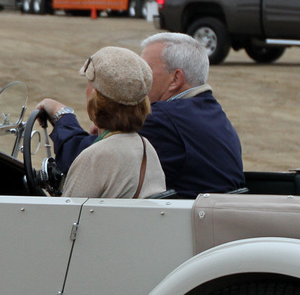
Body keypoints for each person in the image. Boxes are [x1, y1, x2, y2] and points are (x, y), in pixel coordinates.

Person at [39, 32, 244, 199]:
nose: (138, 77)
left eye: (145, 70)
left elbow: (82, 158)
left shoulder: (163, 119)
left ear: (175, 79)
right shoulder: (212, 113)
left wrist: (61, 114)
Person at [57, 47, 166, 199]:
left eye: (89, 83)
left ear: (96, 95)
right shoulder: (146, 147)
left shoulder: (95, 156)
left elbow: (66, 216)